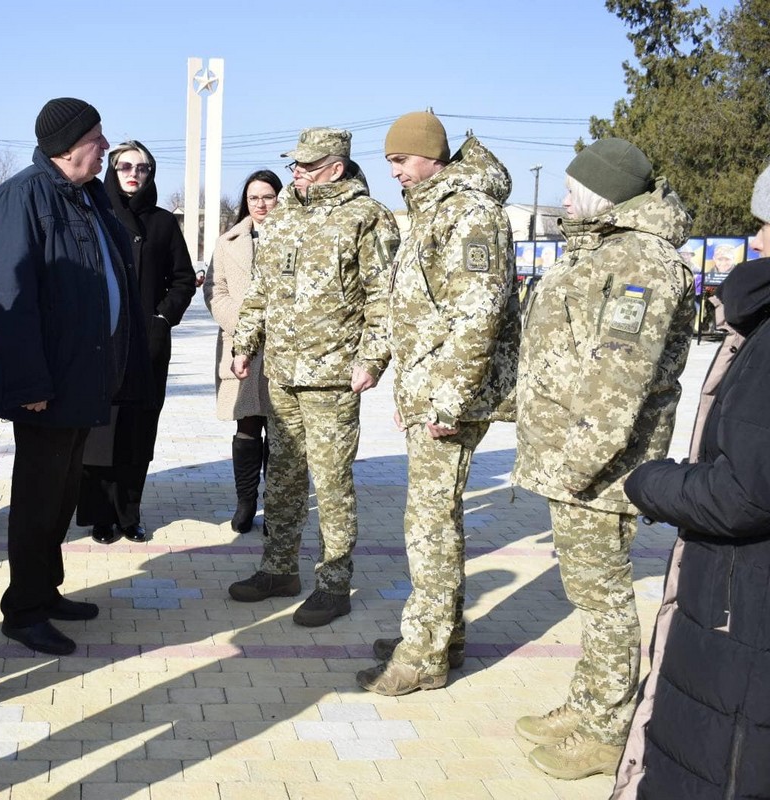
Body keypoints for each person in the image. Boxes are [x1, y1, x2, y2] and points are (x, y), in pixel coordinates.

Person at [508, 138, 695, 780]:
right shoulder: (605, 252)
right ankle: (590, 703)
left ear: (606, 192)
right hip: (574, 456)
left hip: (600, 464)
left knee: (605, 595)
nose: (563, 198)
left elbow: (620, 381)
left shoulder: (642, 262)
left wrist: (577, 464)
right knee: (590, 592)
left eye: (572, 187)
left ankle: (609, 729)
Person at [610, 165, 770, 800]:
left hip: (741, 613)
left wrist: (650, 481)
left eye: (767, 225)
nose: (755, 241)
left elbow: (745, 492)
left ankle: (599, 706)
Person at [0, 98, 150, 656]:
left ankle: (45, 591)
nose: (106, 147)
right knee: (37, 497)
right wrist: (28, 383)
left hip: (84, 374)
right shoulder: (22, 197)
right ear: (70, 144)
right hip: (45, 387)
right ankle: (22, 611)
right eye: (98, 138)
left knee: (62, 493)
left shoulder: (88, 196)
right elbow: (9, 296)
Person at [358, 111, 520, 696]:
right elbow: (413, 305)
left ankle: (423, 653)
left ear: (431, 156)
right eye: (390, 163)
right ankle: (438, 634)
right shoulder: (431, 210)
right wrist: (385, 367)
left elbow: (479, 315)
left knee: (429, 524)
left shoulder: (472, 214)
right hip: (429, 391)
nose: (395, 172)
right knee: (434, 518)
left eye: (401, 160)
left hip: (450, 399)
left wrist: (445, 402)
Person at [226, 127, 399, 627]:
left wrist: (372, 359)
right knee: (281, 478)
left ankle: (333, 583)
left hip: (333, 378)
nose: (294, 172)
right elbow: (259, 291)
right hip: (281, 373)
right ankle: (279, 569)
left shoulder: (367, 218)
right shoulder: (283, 219)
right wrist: (244, 344)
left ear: (336, 167)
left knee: (331, 482)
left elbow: (383, 299)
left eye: (306, 164)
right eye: (293, 164)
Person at [77, 140, 196, 544]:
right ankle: (100, 517)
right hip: (102, 344)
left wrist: (162, 318)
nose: (133, 173)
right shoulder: (93, 214)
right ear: (111, 169)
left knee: (138, 434)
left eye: (142, 168)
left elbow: (183, 279)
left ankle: (130, 514)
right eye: (124, 165)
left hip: (147, 348)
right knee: (100, 434)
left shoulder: (163, 223)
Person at [203, 169, 283, 533]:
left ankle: (277, 504)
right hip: (241, 349)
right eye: (254, 198)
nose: (261, 204)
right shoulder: (228, 241)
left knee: (282, 432)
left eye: (268, 196)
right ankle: (245, 500)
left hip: (283, 348)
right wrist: (243, 322)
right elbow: (213, 290)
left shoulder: (294, 236)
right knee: (247, 428)